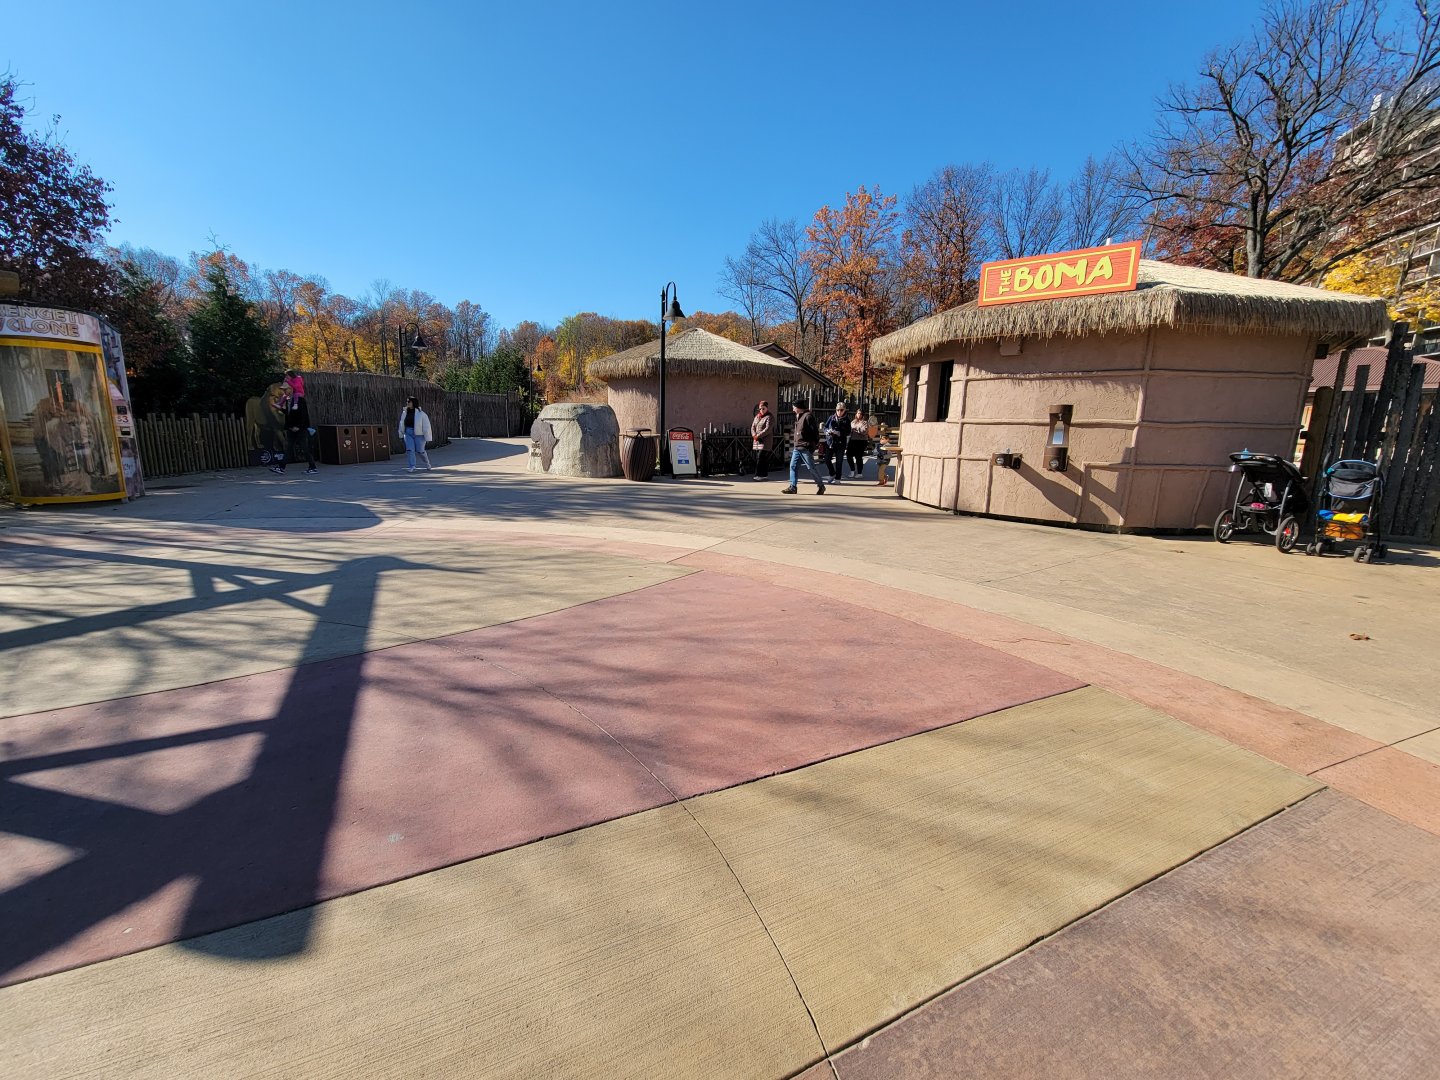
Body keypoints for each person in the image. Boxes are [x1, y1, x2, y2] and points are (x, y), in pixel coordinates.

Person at [782, 402, 826, 495]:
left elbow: (815, 432)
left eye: (794, 407)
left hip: (805, 446)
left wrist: (813, 444)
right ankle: (792, 487)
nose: (793, 409)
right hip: (797, 446)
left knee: (811, 467)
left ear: (799, 407)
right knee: (793, 466)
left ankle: (821, 486)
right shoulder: (799, 416)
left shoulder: (808, 416)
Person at [272, 392, 317, 475]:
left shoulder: (300, 400)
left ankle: (313, 467)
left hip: (300, 429)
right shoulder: (288, 400)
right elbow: (289, 413)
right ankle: (281, 467)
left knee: (304, 448)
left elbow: (303, 414)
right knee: (289, 447)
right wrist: (280, 408)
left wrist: (299, 426)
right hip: (291, 428)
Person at [399, 396, 433, 471]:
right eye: (407, 402)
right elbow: (401, 423)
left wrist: (427, 437)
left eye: (409, 402)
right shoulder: (405, 412)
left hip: (419, 435)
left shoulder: (421, 413)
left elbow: (426, 426)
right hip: (408, 433)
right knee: (410, 450)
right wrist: (401, 433)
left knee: (420, 451)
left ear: (413, 403)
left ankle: (427, 463)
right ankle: (412, 466)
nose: (407, 403)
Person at [822, 401, 850, 483]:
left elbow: (848, 431)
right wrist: (827, 431)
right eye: (838, 410)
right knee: (827, 459)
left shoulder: (846, 420)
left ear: (844, 410)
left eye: (841, 410)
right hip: (830, 442)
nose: (839, 412)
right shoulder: (831, 417)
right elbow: (825, 427)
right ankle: (832, 473)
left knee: (839, 461)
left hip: (840, 443)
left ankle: (838, 478)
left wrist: (839, 433)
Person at [750, 400, 773, 479]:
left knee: (761, 457)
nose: (762, 410)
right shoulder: (757, 417)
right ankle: (764, 475)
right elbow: (753, 426)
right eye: (760, 409)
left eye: (763, 408)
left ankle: (759, 475)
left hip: (765, 441)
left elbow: (768, 429)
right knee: (759, 457)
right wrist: (754, 435)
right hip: (757, 440)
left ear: (767, 408)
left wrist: (758, 435)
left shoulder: (769, 416)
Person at [847, 408, 870, 479]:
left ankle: (859, 473)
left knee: (858, 457)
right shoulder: (853, 422)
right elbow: (849, 430)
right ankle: (852, 470)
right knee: (848, 455)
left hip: (861, 441)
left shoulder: (865, 422)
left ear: (863, 415)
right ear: (856, 414)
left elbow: (864, 431)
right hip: (852, 440)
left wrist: (856, 429)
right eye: (858, 413)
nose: (859, 415)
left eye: (860, 413)